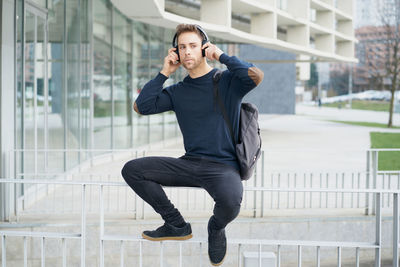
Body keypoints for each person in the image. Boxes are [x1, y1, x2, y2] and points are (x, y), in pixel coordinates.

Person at [121, 24, 263, 266]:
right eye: (182, 47)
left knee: (231, 202)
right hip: (189, 164)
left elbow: (254, 75)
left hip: (223, 166)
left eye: (193, 46)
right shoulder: (178, 91)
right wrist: (165, 71)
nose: (187, 52)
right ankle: (175, 223)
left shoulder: (227, 81)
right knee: (132, 170)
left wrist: (220, 56)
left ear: (204, 48)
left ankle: (216, 228)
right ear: (175, 52)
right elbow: (141, 106)